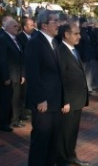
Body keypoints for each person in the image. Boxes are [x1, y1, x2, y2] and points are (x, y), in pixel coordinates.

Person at [25, 10, 64, 166]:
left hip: (55, 101)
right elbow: (33, 74)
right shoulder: (35, 43)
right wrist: (40, 99)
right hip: (43, 102)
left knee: (52, 141)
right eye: (55, 21)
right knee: (41, 141)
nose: (58, 25)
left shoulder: (54, 42)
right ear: (44, 25)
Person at [55, 23, 90, 166]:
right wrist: (65, 100)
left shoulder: (74, 50)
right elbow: (61, 77)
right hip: (68, 100)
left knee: (73, 130)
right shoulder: (61, 51)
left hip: (78, 99)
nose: (79, 37)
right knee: (65, 131)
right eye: (76, 34)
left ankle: (70, 155)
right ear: (66, 34)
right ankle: (62, 159)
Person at [0, 18, 24, 131]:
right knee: (5, 101)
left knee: (14, 100)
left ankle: (13, 120)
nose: (17, 28)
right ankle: (3, 123)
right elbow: (1, 60)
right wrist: (5, 77)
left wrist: (22, 74)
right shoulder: (2, 39)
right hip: (8, 77)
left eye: (17, 26)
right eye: (14, 26)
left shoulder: (15, 39)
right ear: (7, 27)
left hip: (16, 76)